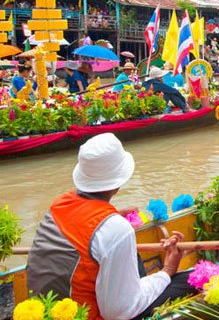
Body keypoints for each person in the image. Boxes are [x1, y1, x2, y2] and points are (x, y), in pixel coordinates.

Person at [26, 133, 195, 320]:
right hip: (91, 315)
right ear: (118, 182)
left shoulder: (60, 203)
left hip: (46, 310)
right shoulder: (115, 229)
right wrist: (167, 271)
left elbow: (83, 228)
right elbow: (119, 312)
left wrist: (112, 218)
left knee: (134, 257)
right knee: (193, 279)